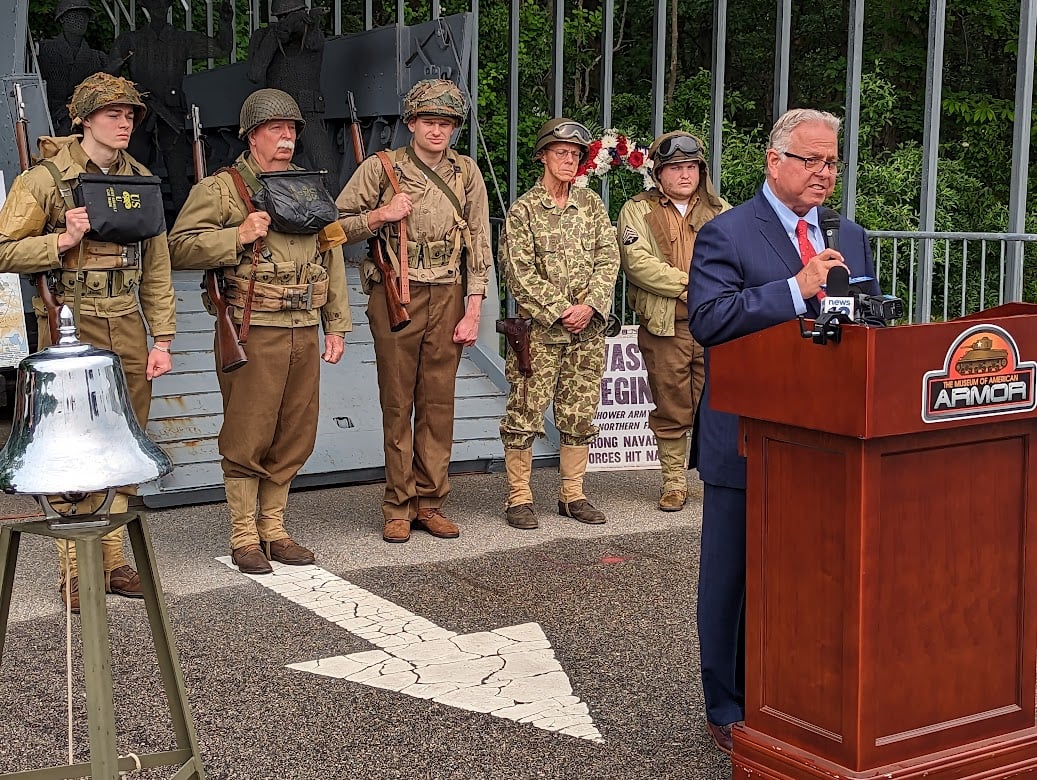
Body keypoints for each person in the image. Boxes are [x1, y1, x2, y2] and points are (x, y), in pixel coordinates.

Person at [688, 108, 880, 754]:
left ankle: (793, 692)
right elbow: (709, 320)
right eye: (812, 161)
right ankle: (726, 707)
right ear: (774, 162)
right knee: (731, 580)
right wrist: (795, 290)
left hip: (825, 442)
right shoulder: (726, 233)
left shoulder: (847, 235)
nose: (824, 174)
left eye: (831, 162)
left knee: (807, 577)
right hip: (745, 440)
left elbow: (866, 331)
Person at [0, 72, 177, 612]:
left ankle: (114, 558)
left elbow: (157, 264)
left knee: (125, 440)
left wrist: (162, 336)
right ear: (84, 118)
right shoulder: (45, 179)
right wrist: (61, 239)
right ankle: (77, 569)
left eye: (129, 116)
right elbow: (4, 250)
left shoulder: (141, 177)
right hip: (68, 324)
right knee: (71, 444)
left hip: (126, 319)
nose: (123, 124)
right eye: (112, 115)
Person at [168, 88, 350, 574]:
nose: (287, 138)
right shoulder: (220, 189)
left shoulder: (309, 187)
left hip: (303, 329)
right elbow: (179, 247)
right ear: (252, 135)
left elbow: (330, 255)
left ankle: (274, 527)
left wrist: (337, 324)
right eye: (276, 129)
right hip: (252, 330)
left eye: (292, 130)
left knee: (296, 432)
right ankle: (244, 535)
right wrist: (237, 236)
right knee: (248, 433)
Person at [335, 78, 491, 544]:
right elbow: (334, 226)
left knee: (439, 403)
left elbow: (480, 240)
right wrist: (380, 216)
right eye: (428, 121)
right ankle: (398, 504)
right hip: (395, 294)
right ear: (411, 123)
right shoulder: (381, 168)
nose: (437, 131)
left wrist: (474, 306)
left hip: (448, 291)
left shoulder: (466, 173)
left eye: (445, 123)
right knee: (398, 401)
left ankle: (430, 501)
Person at [498, 118, 620, 530]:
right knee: (525, 413)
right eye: (561, 153)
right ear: (544, 157)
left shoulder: (592, 206)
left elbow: (609, 257)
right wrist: (561, 309)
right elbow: (518, 272)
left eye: (575, 156)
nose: (568, 161)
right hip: (540, 334)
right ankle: (519, 497)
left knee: (580, 413)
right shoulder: (524, 211)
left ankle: (573, 495)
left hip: (586, 332)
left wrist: (589, 305)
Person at [616, 131, 730, 512]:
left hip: (715, 325)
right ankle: (674, 482)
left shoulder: (721, 211)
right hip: (666, 326)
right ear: (659, 173)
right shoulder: (637, 210)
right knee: (670, 404)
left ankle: (721, 478)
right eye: (676, 168)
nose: (685, 175)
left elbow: (734, 264)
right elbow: (639, 264)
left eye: (691, 167)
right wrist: (693, 288)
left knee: (721, 403)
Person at [108, 0, 233, 210]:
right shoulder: (129, 41)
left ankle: (186, 227)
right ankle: (131, 221)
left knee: (178, 179)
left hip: (170, 115)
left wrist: (225, 22)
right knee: (133, 170)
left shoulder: (180, 39)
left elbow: (222, 49)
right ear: (145, 8)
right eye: (154, 4)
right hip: (139, 114)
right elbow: (109, 76)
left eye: (162, 4)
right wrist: (130, 87)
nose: (158, 8)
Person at [37, 0, 117, 135]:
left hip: (86, 127)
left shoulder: (98, 58)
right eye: (74, 16)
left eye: (83, 17)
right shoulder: (43, 50)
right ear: (62, 19)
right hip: (47, 124)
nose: (80, 21)